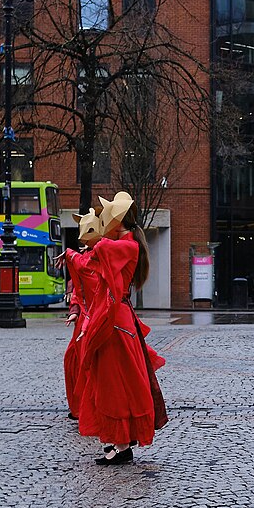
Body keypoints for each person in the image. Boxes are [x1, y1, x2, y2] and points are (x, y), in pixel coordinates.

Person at [58, 191, 167, 465]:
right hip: (117, 320)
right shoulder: (124, 244)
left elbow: (97, 255)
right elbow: (91, 261)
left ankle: (119, 444)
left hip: (115, 322)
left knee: (113, 384)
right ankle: (120, 443)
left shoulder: (123, 245)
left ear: (117, 220)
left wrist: (76, 252)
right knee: (117, 382)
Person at [62, 208, 103, 420]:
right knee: (73, 360)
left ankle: (93, 408)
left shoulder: (101, 255)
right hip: (86, 317)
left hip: (99, 316)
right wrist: (75, 310)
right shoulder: (87, 255)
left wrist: (71, 255)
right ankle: (81, 407)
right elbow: (79, 289)